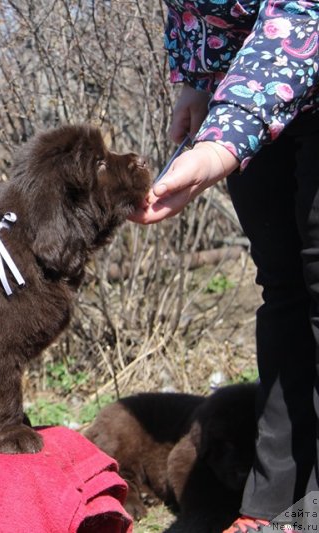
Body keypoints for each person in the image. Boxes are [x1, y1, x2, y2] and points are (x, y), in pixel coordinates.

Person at [130, 0, 319, 530]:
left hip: (279, 73)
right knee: (284, 288)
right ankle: (276, 505)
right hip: (241, 87)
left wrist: (220, 142)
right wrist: (198, 75)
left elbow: (303, 17)